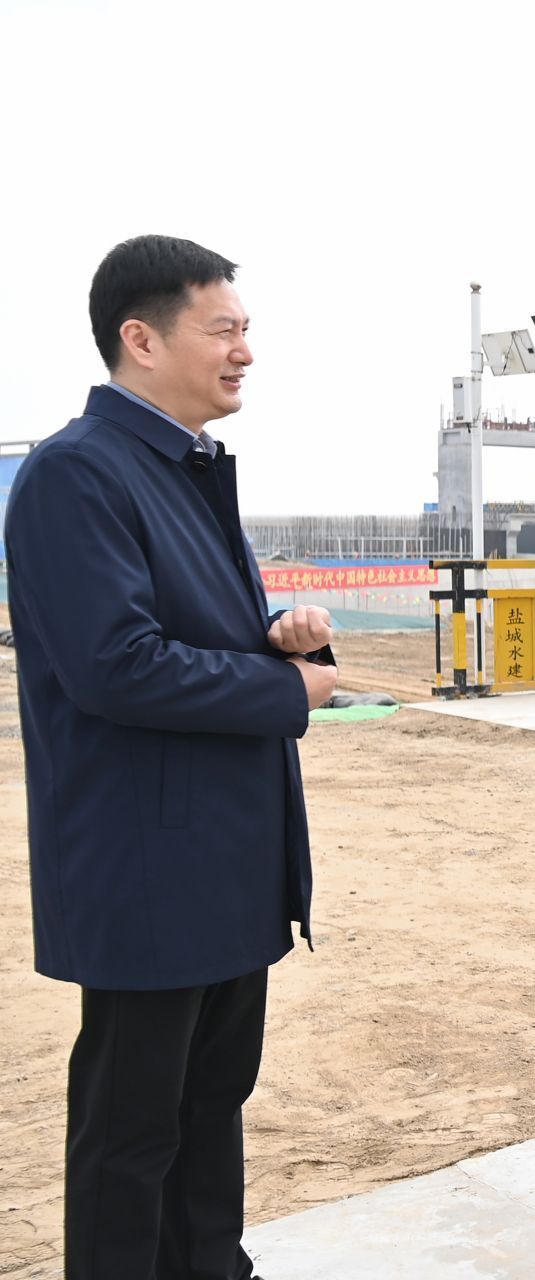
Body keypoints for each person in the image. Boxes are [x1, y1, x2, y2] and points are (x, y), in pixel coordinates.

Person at [5, 234, 338, 1279]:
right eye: (223, 329)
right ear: (141, 339)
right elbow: (116, 666)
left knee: (209, 1105)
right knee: (132, 1129)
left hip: (224, 861)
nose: (245, 351)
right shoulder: (77, 473)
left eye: (246, 329)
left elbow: (188, 636)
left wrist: (282, 639)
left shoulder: (184, 469)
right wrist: (286, 690)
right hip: (148, 868)